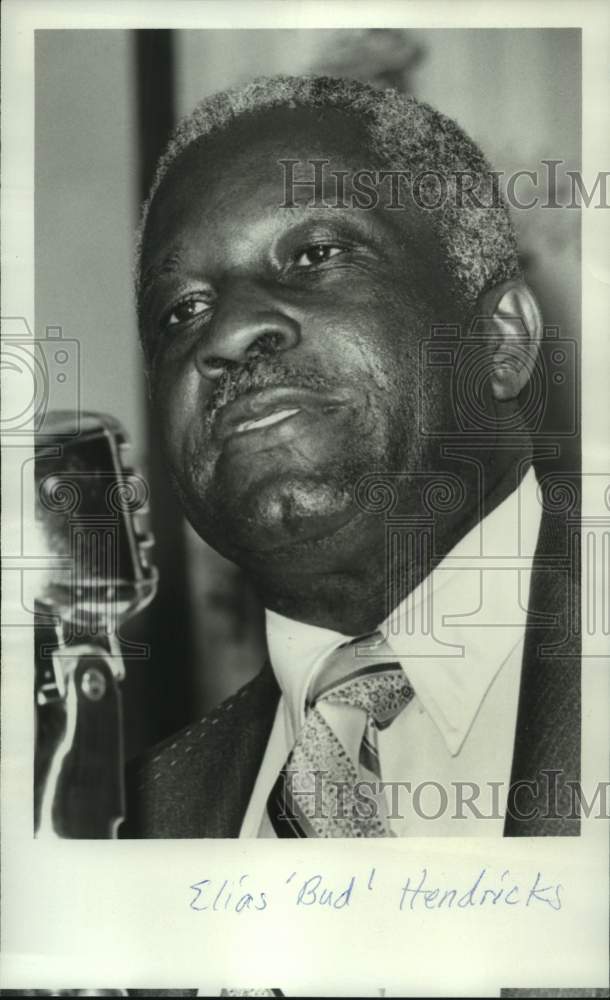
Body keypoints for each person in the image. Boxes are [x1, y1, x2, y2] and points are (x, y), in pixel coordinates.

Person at [122, 75, 580, 839]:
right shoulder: (131, 826)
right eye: (182, 311)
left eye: (315, 254)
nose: (225, 332)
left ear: (502, 338)